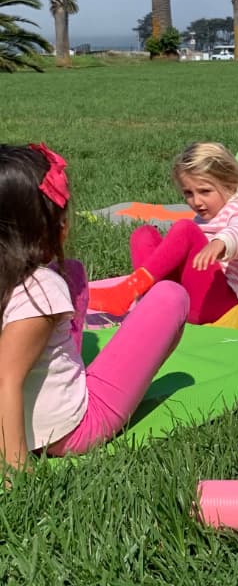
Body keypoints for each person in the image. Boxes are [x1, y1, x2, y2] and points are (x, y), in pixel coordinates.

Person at [0, 143, 189, 467]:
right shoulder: (41, 289)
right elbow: (5, 378)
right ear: (44, 229)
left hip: (33, 419)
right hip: (70, 431)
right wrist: (15, 471)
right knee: (171, 296)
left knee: (70, 271)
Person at [89, 142, 238, 324]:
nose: (196, 201)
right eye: (188, 193)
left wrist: (222, 243)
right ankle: (150, 299)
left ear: (230, 184)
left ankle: (128, 292)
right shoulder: (206, 216)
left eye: (205, 191)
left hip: (231, 303)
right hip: (199, 296)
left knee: (185, 230)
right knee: (144, 234)